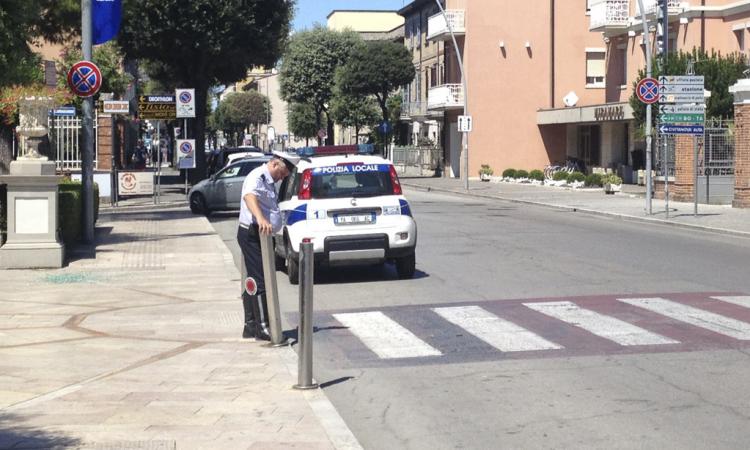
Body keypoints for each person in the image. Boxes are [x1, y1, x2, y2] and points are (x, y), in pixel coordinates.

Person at [237, 151, 299, 340]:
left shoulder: (269, 182)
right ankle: (263, 328)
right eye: (282, 173)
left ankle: (250, 325)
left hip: (262, 236)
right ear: (275, 164)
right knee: (261, 279)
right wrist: (261, 218)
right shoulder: (257, 176)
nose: (283, 177)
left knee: (255, 279)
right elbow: (249, 197)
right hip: (253, 233)